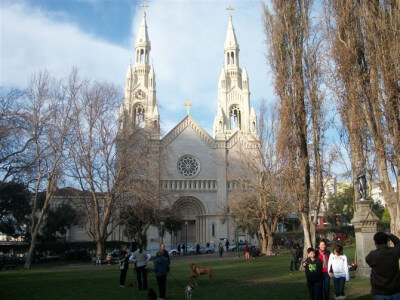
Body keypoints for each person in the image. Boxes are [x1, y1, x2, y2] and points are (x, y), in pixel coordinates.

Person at [365, 232, 400, 299]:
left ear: (375, 242)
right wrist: (390, 235)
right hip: (395, 289)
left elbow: (368, 260)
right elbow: (398, 244)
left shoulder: (372, 255)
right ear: (387, 241)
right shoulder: (394, 252)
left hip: (379, 290)